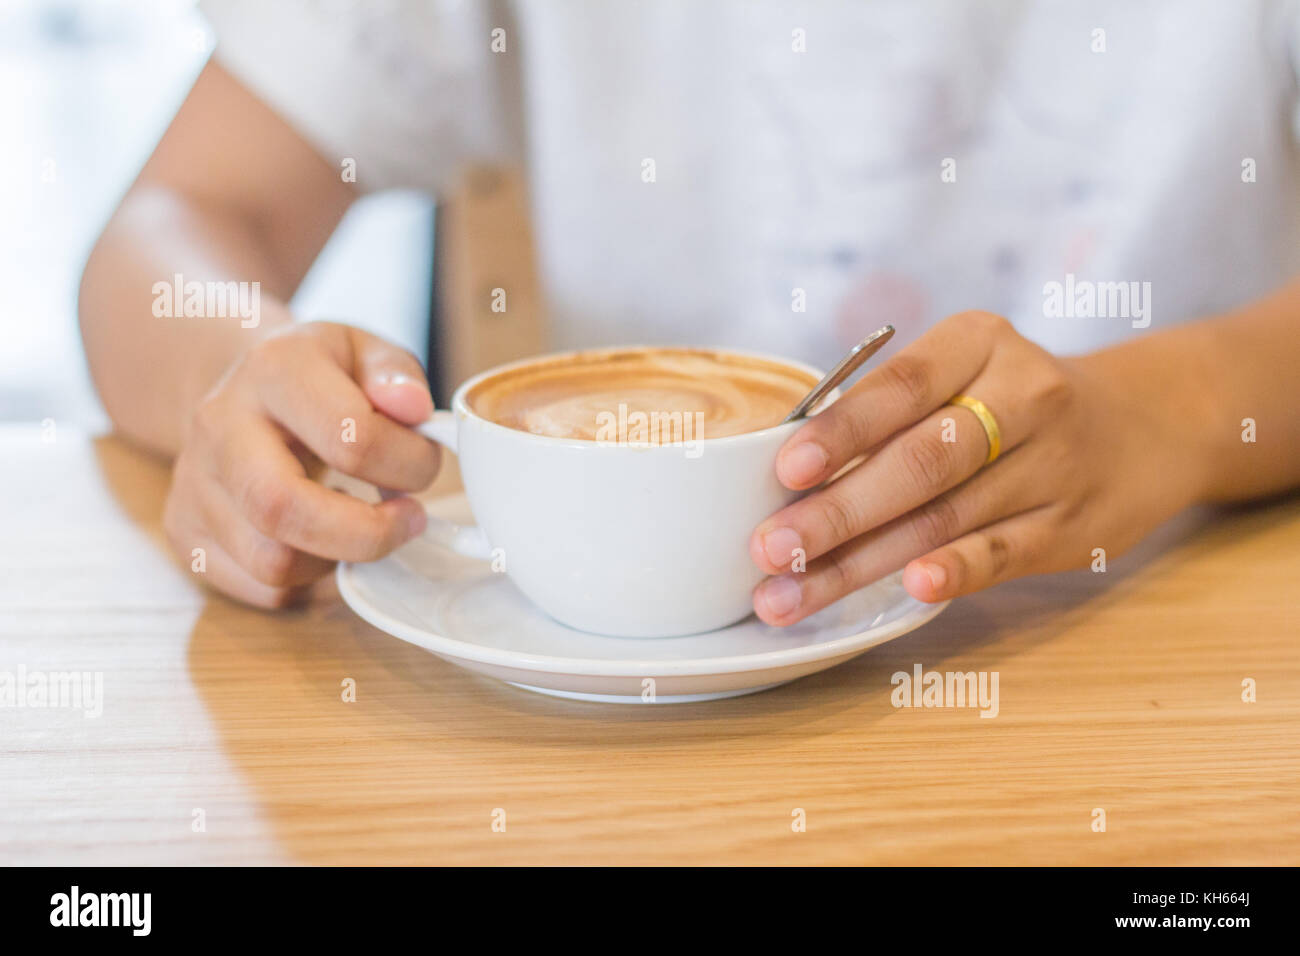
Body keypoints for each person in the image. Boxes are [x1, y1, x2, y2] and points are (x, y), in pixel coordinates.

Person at [79, 1, 1300, 625]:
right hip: (621, 751)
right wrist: (242, 382)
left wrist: (1171, 410)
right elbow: (172, 221)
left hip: (1149, 634)